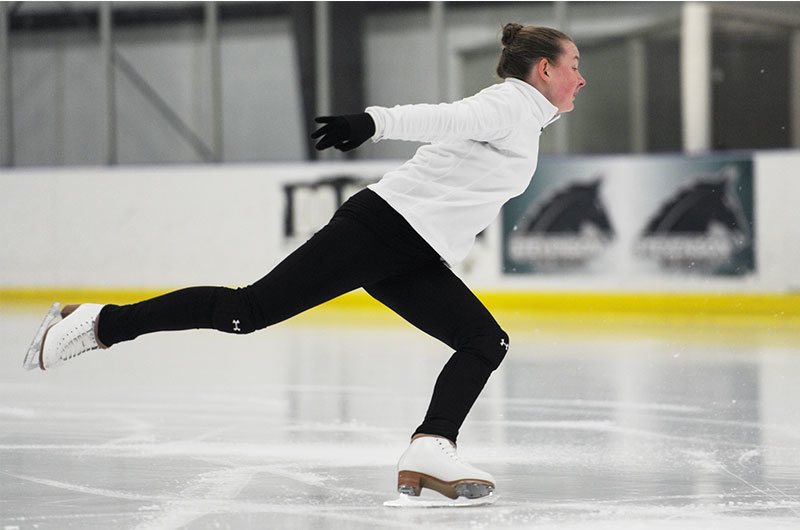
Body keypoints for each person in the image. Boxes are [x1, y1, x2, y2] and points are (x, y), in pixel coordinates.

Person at [27, 23, 585, 502]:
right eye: (574, 65)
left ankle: (431, 451)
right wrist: (372, 122)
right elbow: (444, 118)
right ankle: (101, 324)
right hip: (383, 229)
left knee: (485, 341)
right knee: (245, 312)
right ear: (543, 69)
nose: (581, 78)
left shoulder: (527, 117)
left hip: (413, 251)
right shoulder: (508, 104)